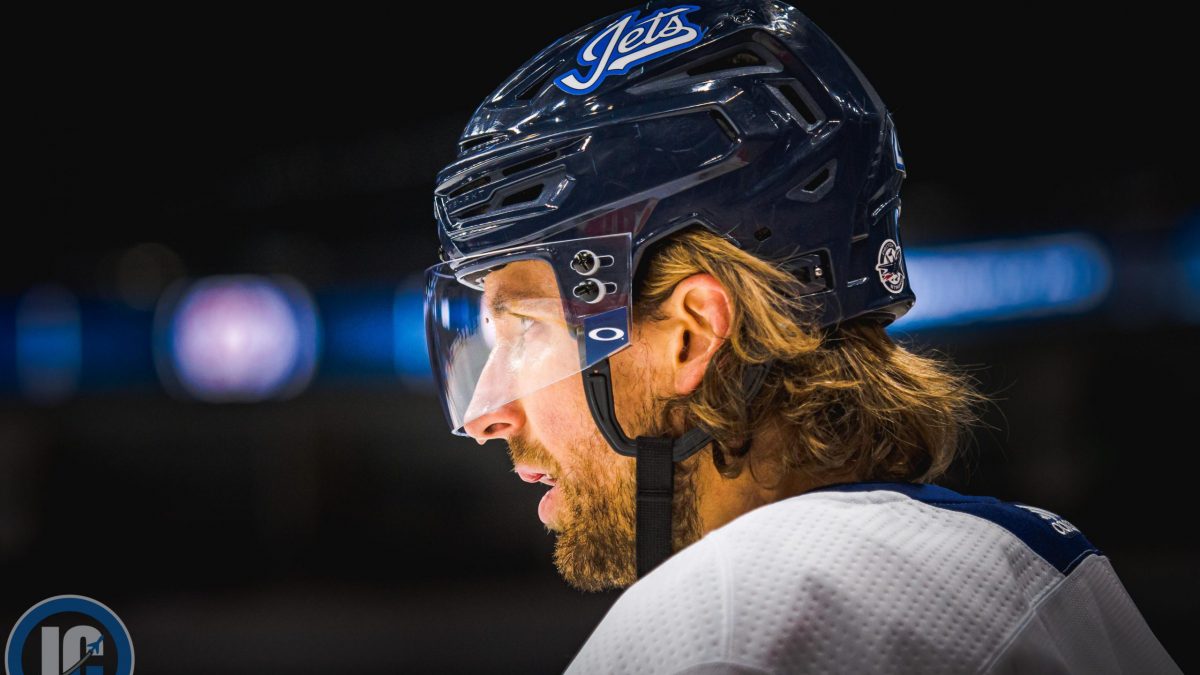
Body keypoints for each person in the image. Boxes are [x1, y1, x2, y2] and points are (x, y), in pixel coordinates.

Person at [421, 1, 1182, 672]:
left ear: (692, 334)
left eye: (524, 327)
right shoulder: (1035, 562)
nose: (488, 413)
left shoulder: (722, 625)